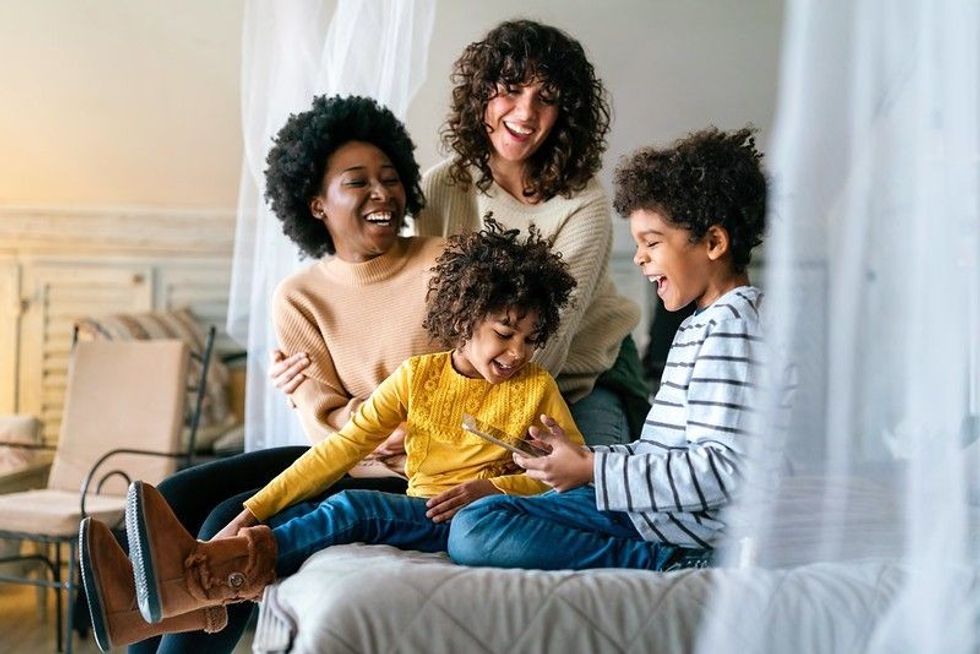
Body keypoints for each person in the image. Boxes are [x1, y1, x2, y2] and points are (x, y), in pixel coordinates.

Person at [80, 219, 585, 643]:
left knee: (351, 508)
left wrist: (491, 488)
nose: (517, 352)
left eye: (530, 339)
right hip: (421, 506)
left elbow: (569, 476)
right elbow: (341, 449)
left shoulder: (535, 387)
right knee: (306, 509)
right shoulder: (418, 377)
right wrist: (252, 509)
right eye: (504, 333)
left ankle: (192, 585)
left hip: (472, 521)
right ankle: (186, 592)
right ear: (466, 316)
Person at [83, 94, 445, 654]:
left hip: (419, 466)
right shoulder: (300, 296)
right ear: (317, 204)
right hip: (348, 456)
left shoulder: (446, 264)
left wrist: (348, 410)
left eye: (391, 177)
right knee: (174, 495)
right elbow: (325, 429)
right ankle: (137, 620)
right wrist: (327, 405)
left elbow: (472, 381)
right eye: (357, 181)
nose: (382, 193)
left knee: (227, 519)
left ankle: (152, 624)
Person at [276, 19, 650, 447]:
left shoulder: (584, 204)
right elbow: (438, 322)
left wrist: (442, 422)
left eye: (546, 99)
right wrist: (308, 381)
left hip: (582, 375)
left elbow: (545, 342)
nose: (526, 113)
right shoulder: (442, 187)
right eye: (511, 90)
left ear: (566, 116)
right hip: (485, 380)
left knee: (584, 495)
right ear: (481, 95)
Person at [446, 127, 769, 571]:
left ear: (714, 243)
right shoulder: (702, 323)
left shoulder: (733, 327)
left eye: (652, 242)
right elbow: (664, 454)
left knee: (475, 529)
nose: (639, 258)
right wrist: (586, 459)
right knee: (478, 517)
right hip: (653, 513)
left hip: (674, 532)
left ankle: (665, 562)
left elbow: (725, 473)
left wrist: (594, 471)